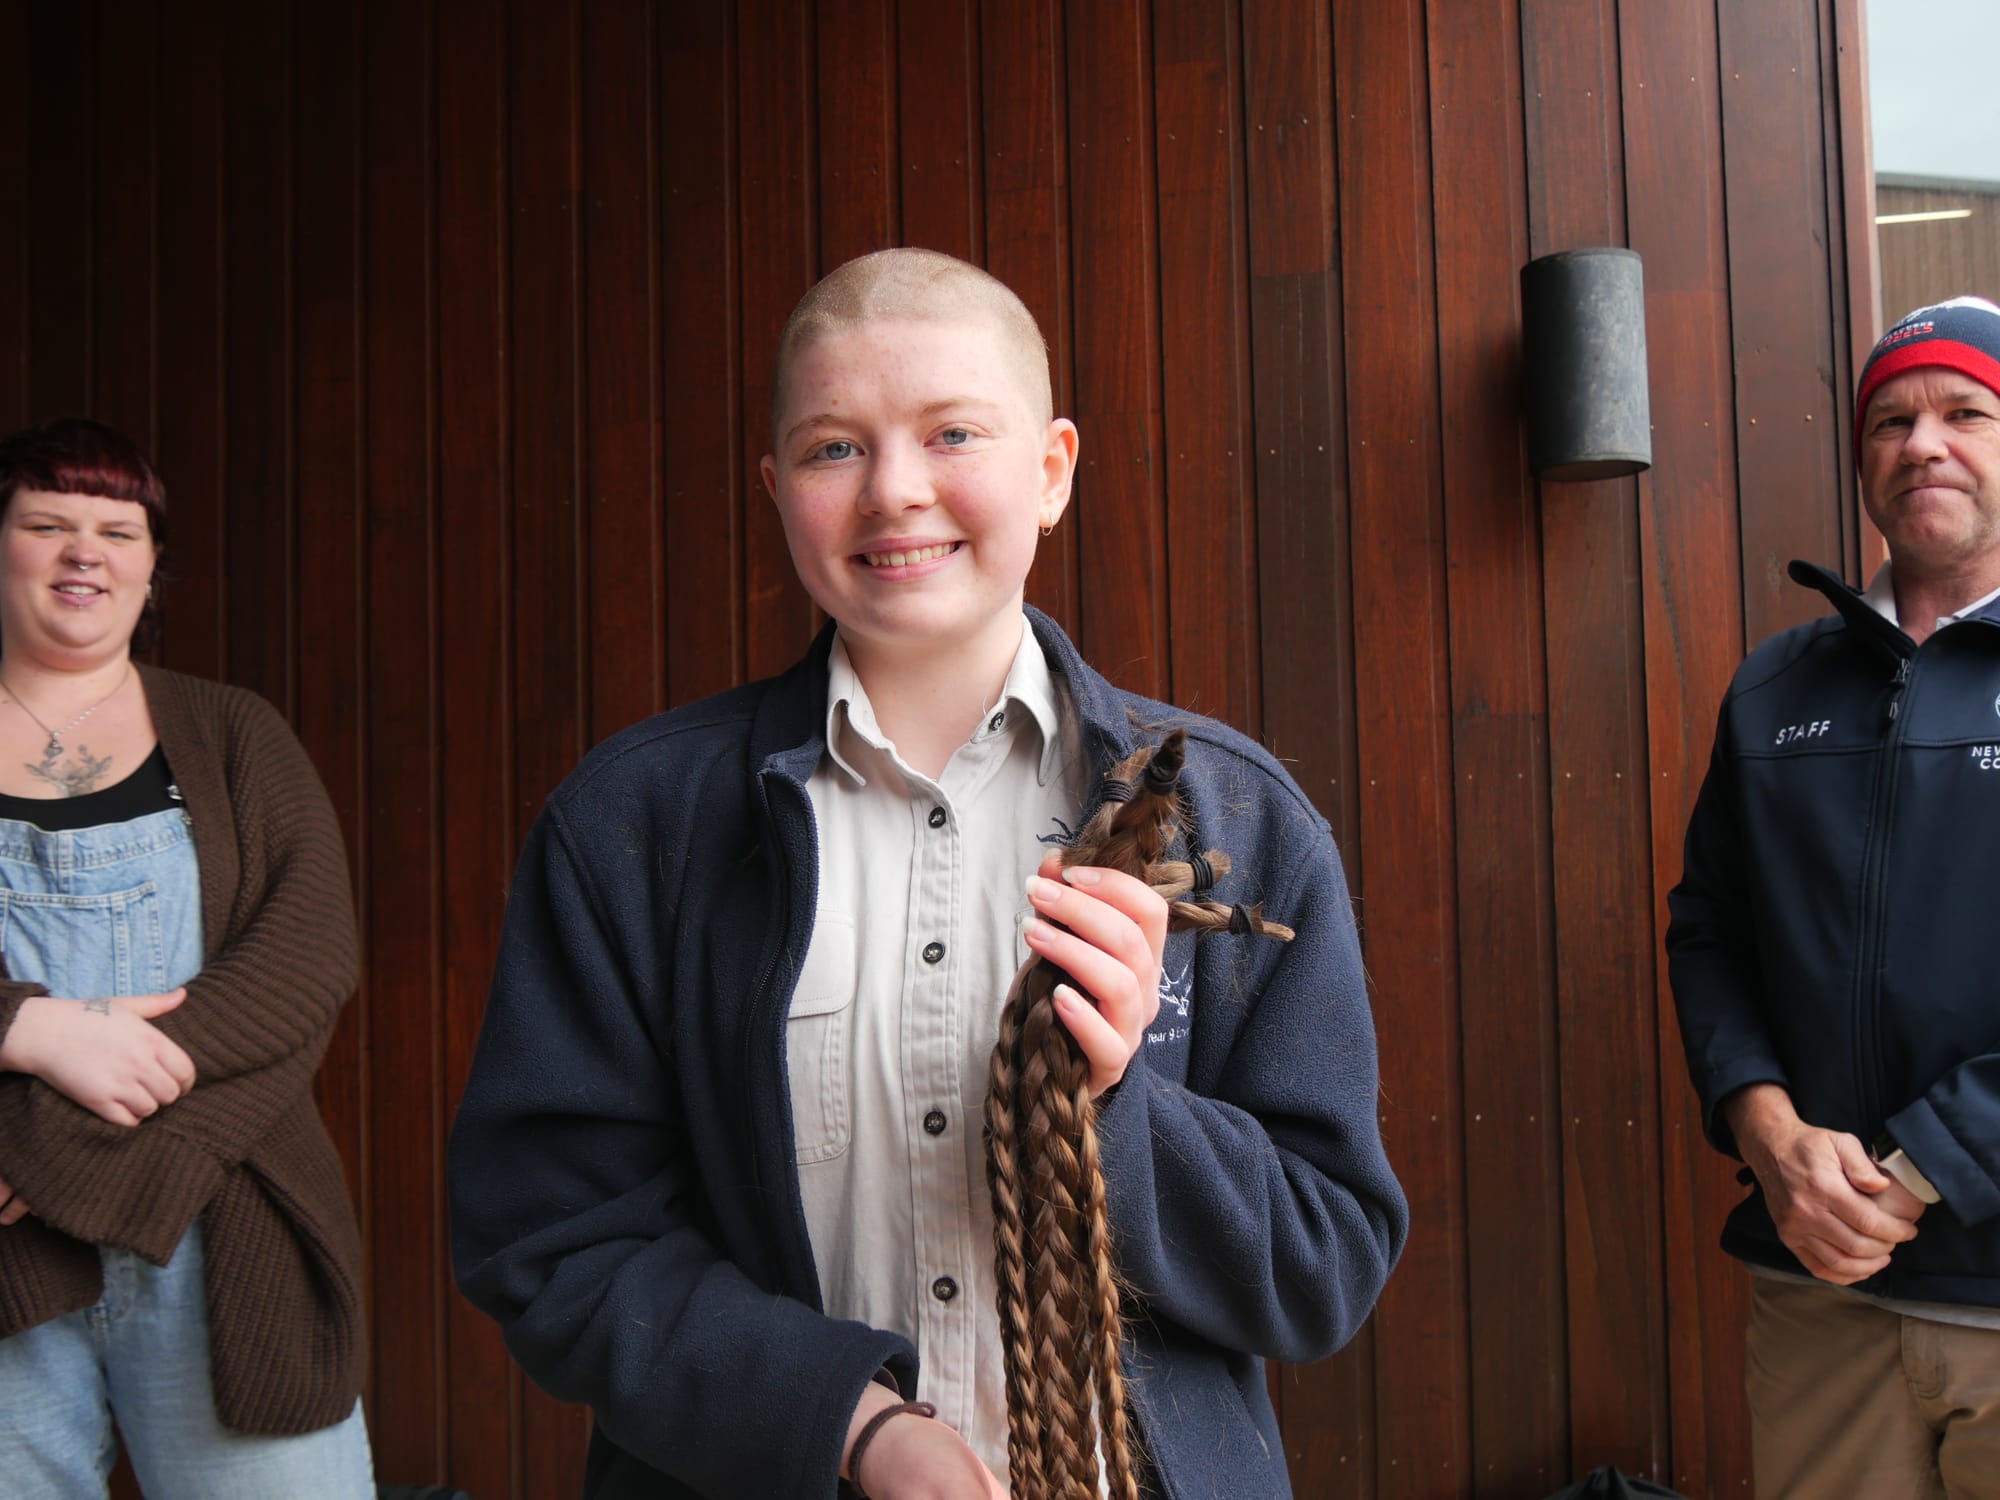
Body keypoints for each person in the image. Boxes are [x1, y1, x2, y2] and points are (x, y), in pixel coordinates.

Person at [449, 247, 1407, 1499]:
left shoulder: (1231, 822)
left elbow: (1321, 1264)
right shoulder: (634, 826)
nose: (893, 491)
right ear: (776, 487)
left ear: (1052, 470)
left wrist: (1116, 1105)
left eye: (951, 432)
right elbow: (554, 1238)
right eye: (831, 448)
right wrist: (850, 1427)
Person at [0, 418, 374, 1498]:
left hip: (228, 1239)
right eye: (47, 524)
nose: (86, 552)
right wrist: (30, 1028)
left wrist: (45, 1152)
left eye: (118, 530)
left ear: (153, 565)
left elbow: (304, 966)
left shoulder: (233, 733)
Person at [1668, 295, 2000, 1499]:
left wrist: (1909, 1175)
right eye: (1890, 421)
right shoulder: (1772, 688)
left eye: (1966, 411)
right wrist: (1766, 1136)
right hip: (1819, 1295)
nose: (1922, 442)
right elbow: (1708, 936)